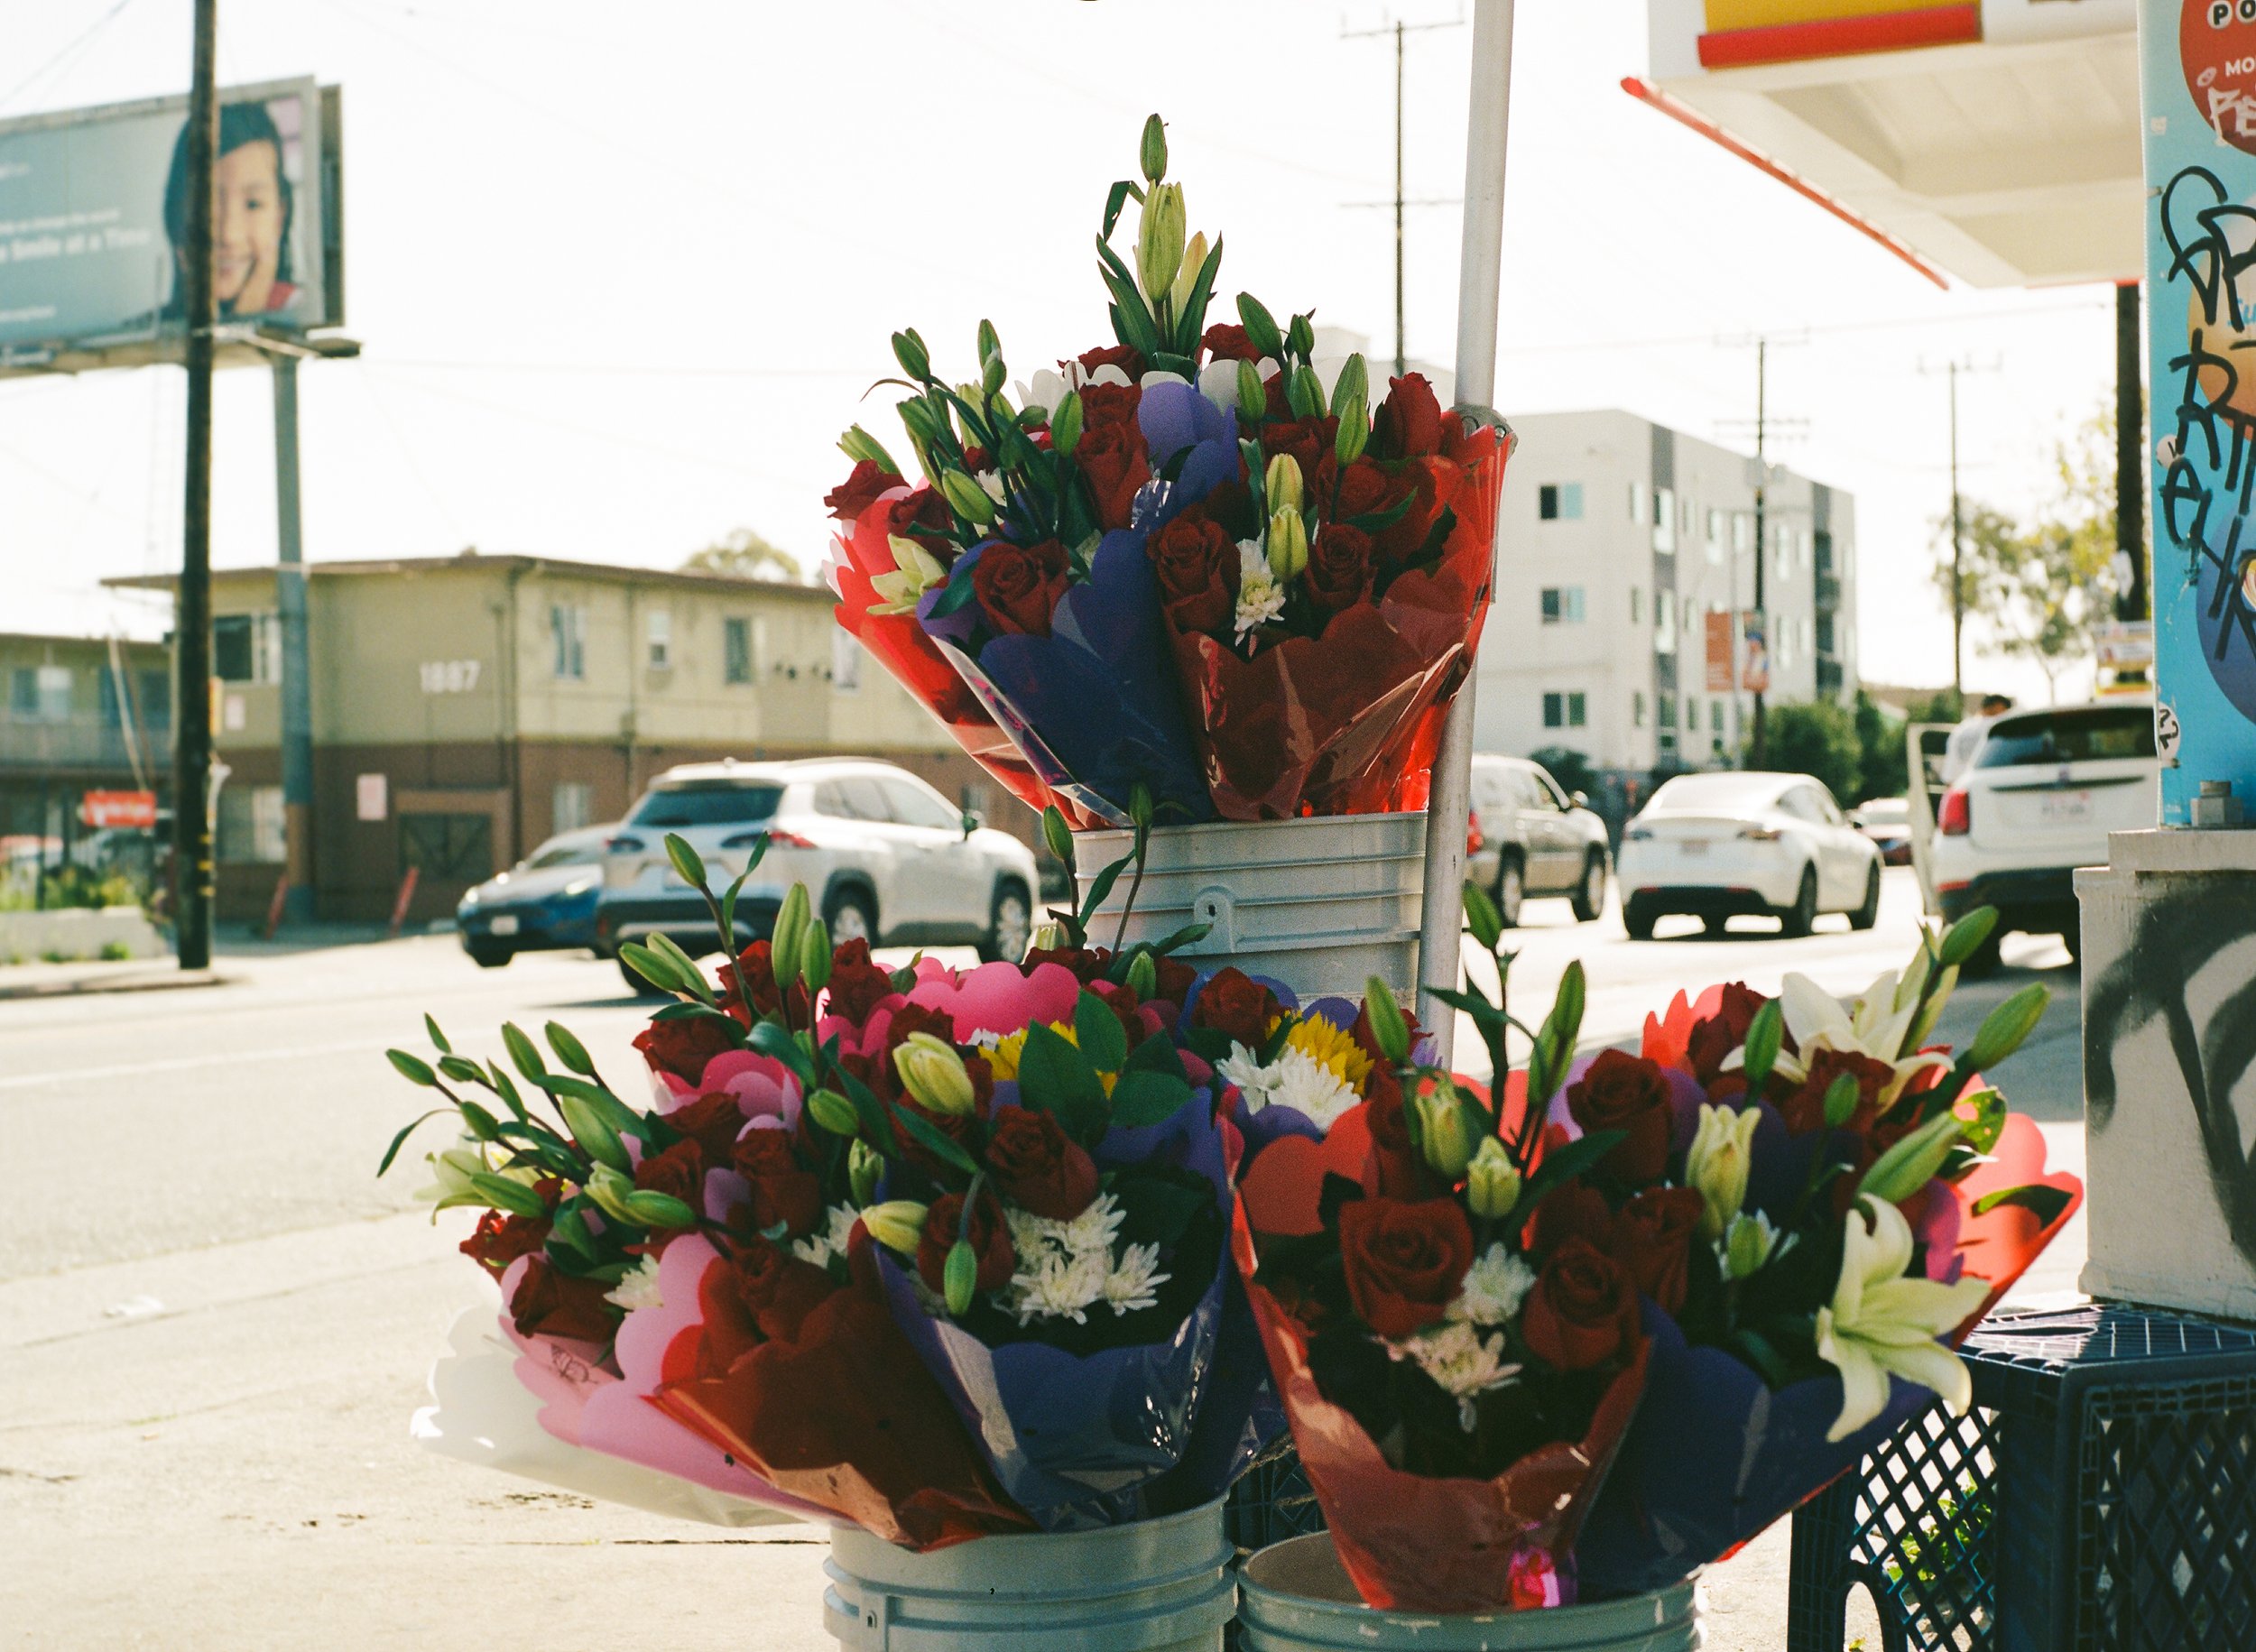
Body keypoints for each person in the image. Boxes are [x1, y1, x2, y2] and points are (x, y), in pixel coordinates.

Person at [159, 100, 297, 322]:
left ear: (280, 216)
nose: (228, 235)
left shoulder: (301, 312)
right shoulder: (142, 335)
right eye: (206, 204)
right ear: (176, 216)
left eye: (253, 205)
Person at [1941, 693, 2013, 783]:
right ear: (1998, 706)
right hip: (1987, 783)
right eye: (2006, 710)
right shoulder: (1998, 727)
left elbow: (1951, 765)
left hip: (1959, 786)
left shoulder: (1961, 728)